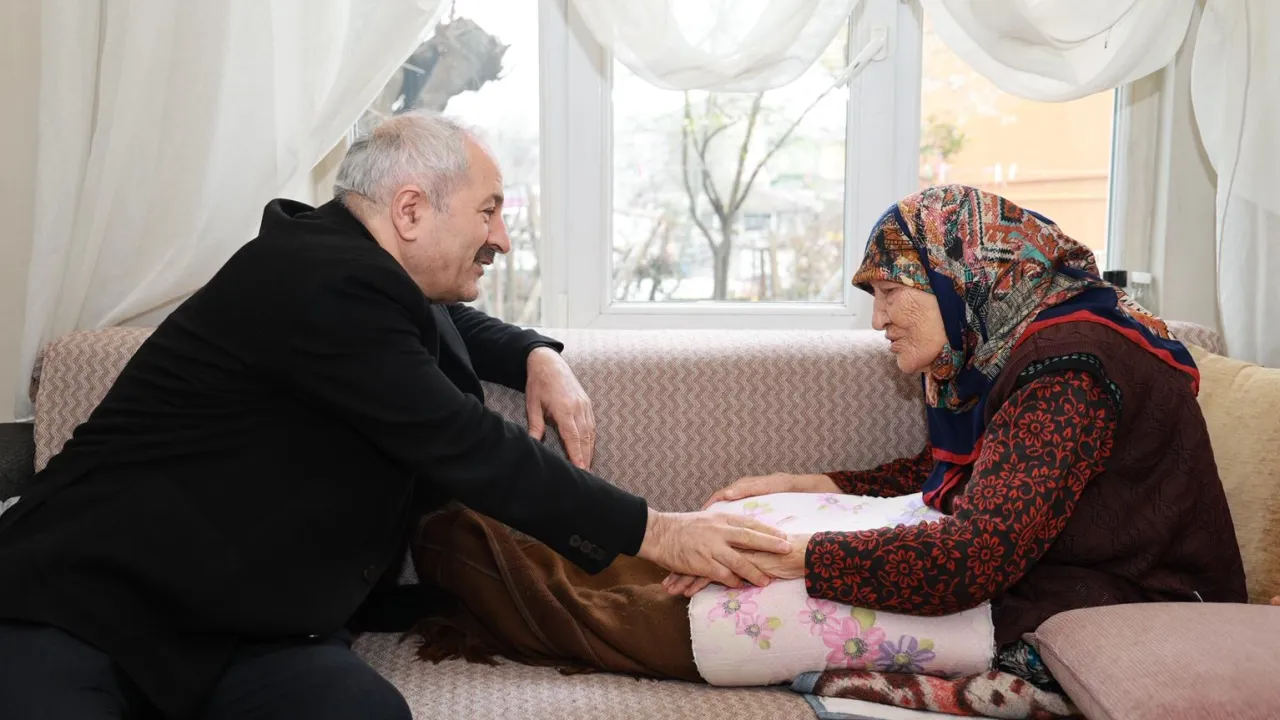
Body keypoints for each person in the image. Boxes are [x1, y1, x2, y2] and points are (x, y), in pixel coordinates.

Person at [0, 113, 792, 720]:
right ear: (410, 210)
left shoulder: (350, 266)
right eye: (489, 211)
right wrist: (658, 531)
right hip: (90, 605)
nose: (502, 237)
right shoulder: (320, 282)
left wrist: (532, 353)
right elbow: (469, 445)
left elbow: (449, 324)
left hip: (251, 631)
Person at [672, 184, 1248, 682]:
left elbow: (974, 559)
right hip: (1061, 577)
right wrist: (808, 484)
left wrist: (797, 557)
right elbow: (960, 471)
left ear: (957, 277)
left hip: (1136, 606)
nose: (877, 319)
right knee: (719, 575)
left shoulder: (1069, 369)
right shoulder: (999, 347)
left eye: (890, 291)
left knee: (741, 605)